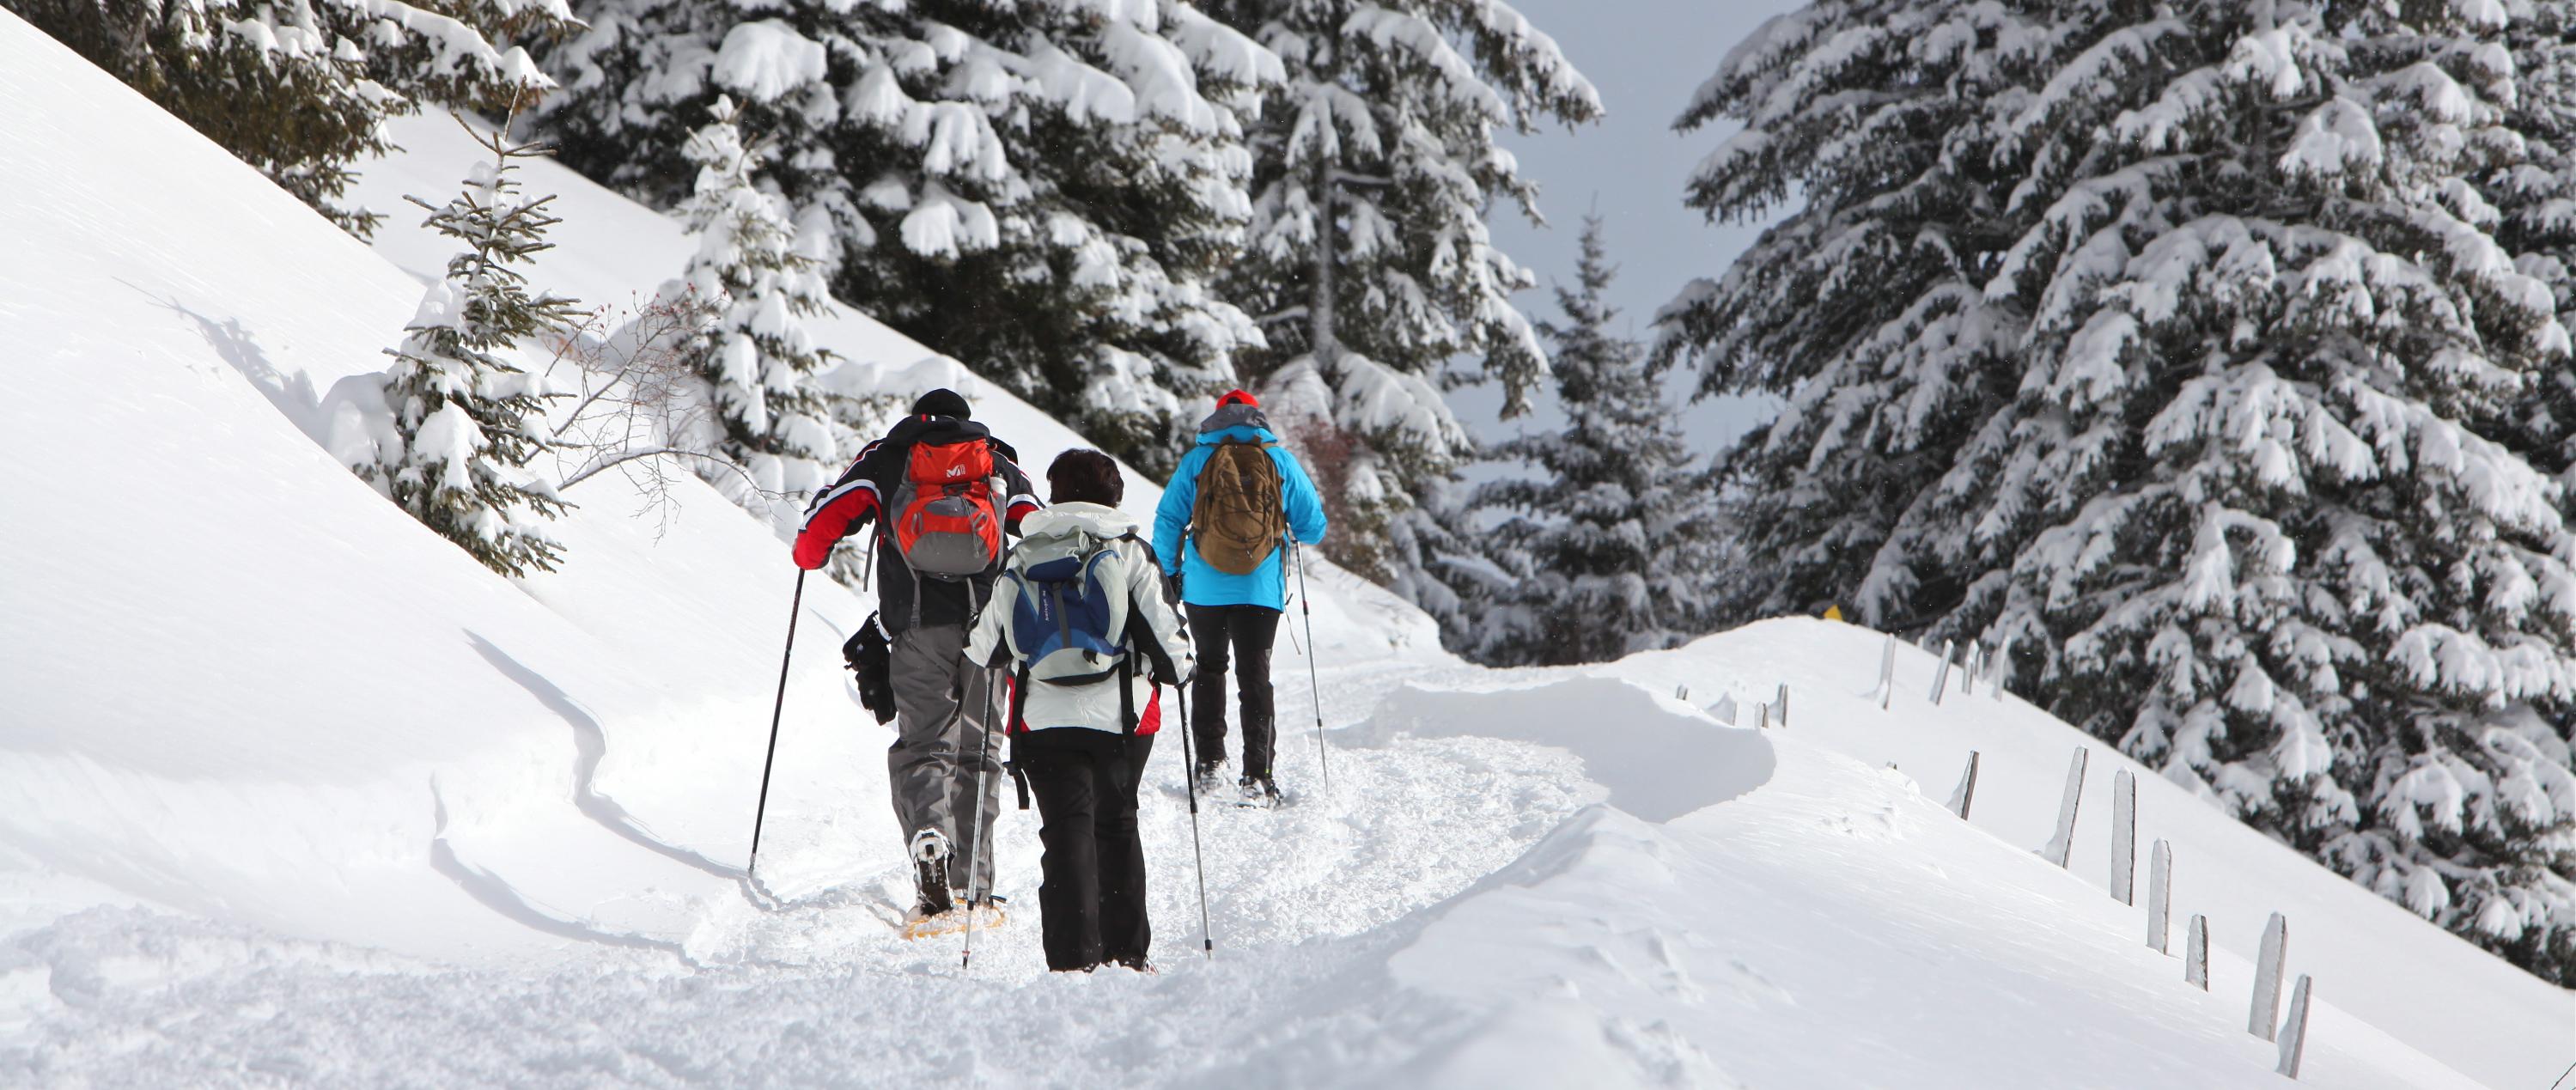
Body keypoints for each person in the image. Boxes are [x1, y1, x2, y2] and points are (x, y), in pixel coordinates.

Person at [793, 388, 1040, 924]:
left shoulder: (888, 460)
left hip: (915, 627)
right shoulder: (993, 462)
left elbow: (815, 539)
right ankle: (974, 886)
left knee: (926, 744)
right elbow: (1037, 525)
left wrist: (807, 552)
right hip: (987, 630)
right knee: (979, 752)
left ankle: (929, 837)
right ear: (965, 422)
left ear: (917, 417)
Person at [965, 450, 1190, 971]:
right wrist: (1183, 670)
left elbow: (981, 647)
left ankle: (1072, 961)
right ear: (1114, 497)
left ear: (1056, 495)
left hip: (1043, 722)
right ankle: (1127, 954)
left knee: (1066, 831)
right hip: (1122, 723)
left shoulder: (1023, 556)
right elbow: (1171, 648)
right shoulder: (1131, 552)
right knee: (1116, 825)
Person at [1152, 390, 1327, 807]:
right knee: (1255, 677)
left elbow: (1168, 521)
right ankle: (1258, 777)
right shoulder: (1278, 460)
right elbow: (1313, 528)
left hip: (1204, 588)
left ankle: (1210, 766)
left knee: (1210, 668)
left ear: (1217, 420)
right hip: (1260, 588)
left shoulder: (1198, 460)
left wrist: (1171, 575)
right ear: (1257, 418)